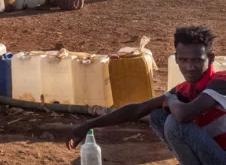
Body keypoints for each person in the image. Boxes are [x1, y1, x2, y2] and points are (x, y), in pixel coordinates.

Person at [66, 27, 226, 164]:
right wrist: (87, 125)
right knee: (157, 115)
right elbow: (137, 109)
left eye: (197, 60)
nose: (189, 67)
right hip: (213, 154)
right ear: (176, 59)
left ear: (211, 58)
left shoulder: (221, 81)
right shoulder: (185, 89)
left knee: (175, 123)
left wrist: (170, 99)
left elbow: (184, 115)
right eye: (183, 60)